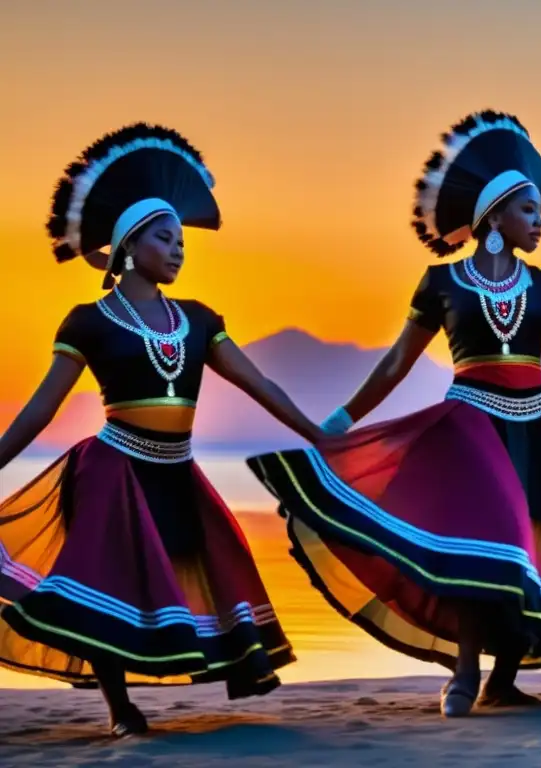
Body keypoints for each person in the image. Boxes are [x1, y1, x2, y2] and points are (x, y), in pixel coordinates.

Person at [246, 109, 541, 717]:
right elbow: (394, 365)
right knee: (481, 548)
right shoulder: (441, 284)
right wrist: (338, 423)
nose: (540, 223)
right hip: (467, 430)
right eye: (530, 210)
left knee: (526, 552)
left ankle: (500, 680)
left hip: (532, 431)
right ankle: (463, 672)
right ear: (496, 216)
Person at [0, 123, 324, 736]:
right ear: (129, 245)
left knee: (187, 571)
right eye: (165, 238)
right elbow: (41, 406)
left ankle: (172, 680)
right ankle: (120, 708)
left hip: (177, 471)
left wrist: (317, 432)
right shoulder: (89, 320)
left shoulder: (200, 321)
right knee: (105, 578)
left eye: (182, 240)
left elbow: (261, 386)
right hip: (110, 469)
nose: (178, 249)